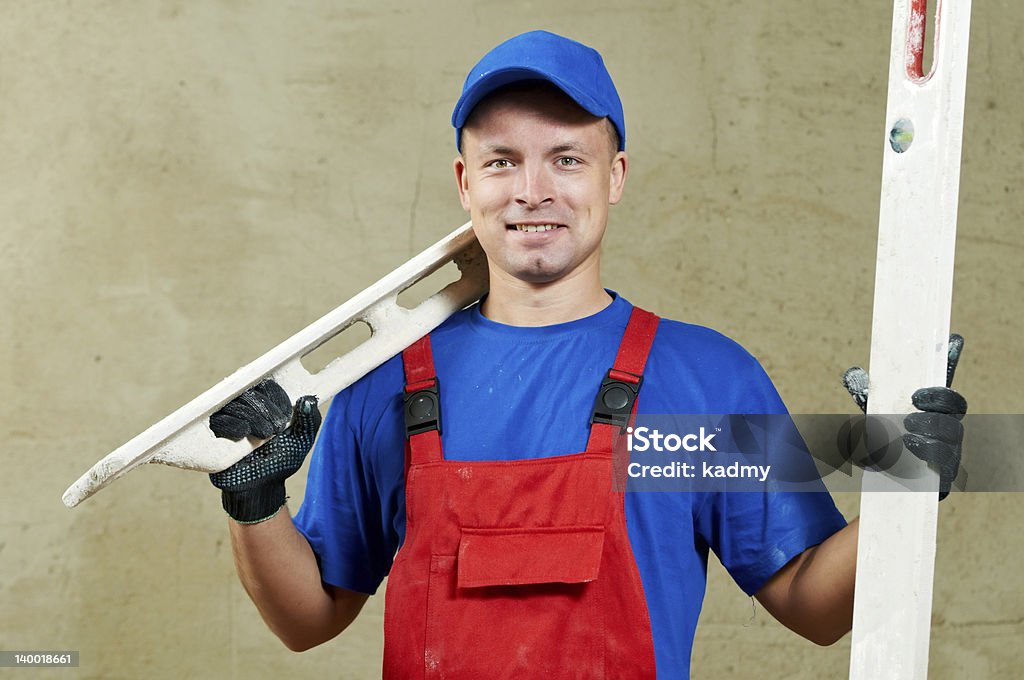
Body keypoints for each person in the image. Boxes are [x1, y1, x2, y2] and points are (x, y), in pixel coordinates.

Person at [206, 30, 966, 679]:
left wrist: (905, 492)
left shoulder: (705, 382)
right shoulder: (383, 383)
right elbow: (309, 619)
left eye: (567, 158)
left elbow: (812, 605)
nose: (533, 190)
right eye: (502, 161)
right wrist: (253, 500)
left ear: (616, 175)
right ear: (465, 184)